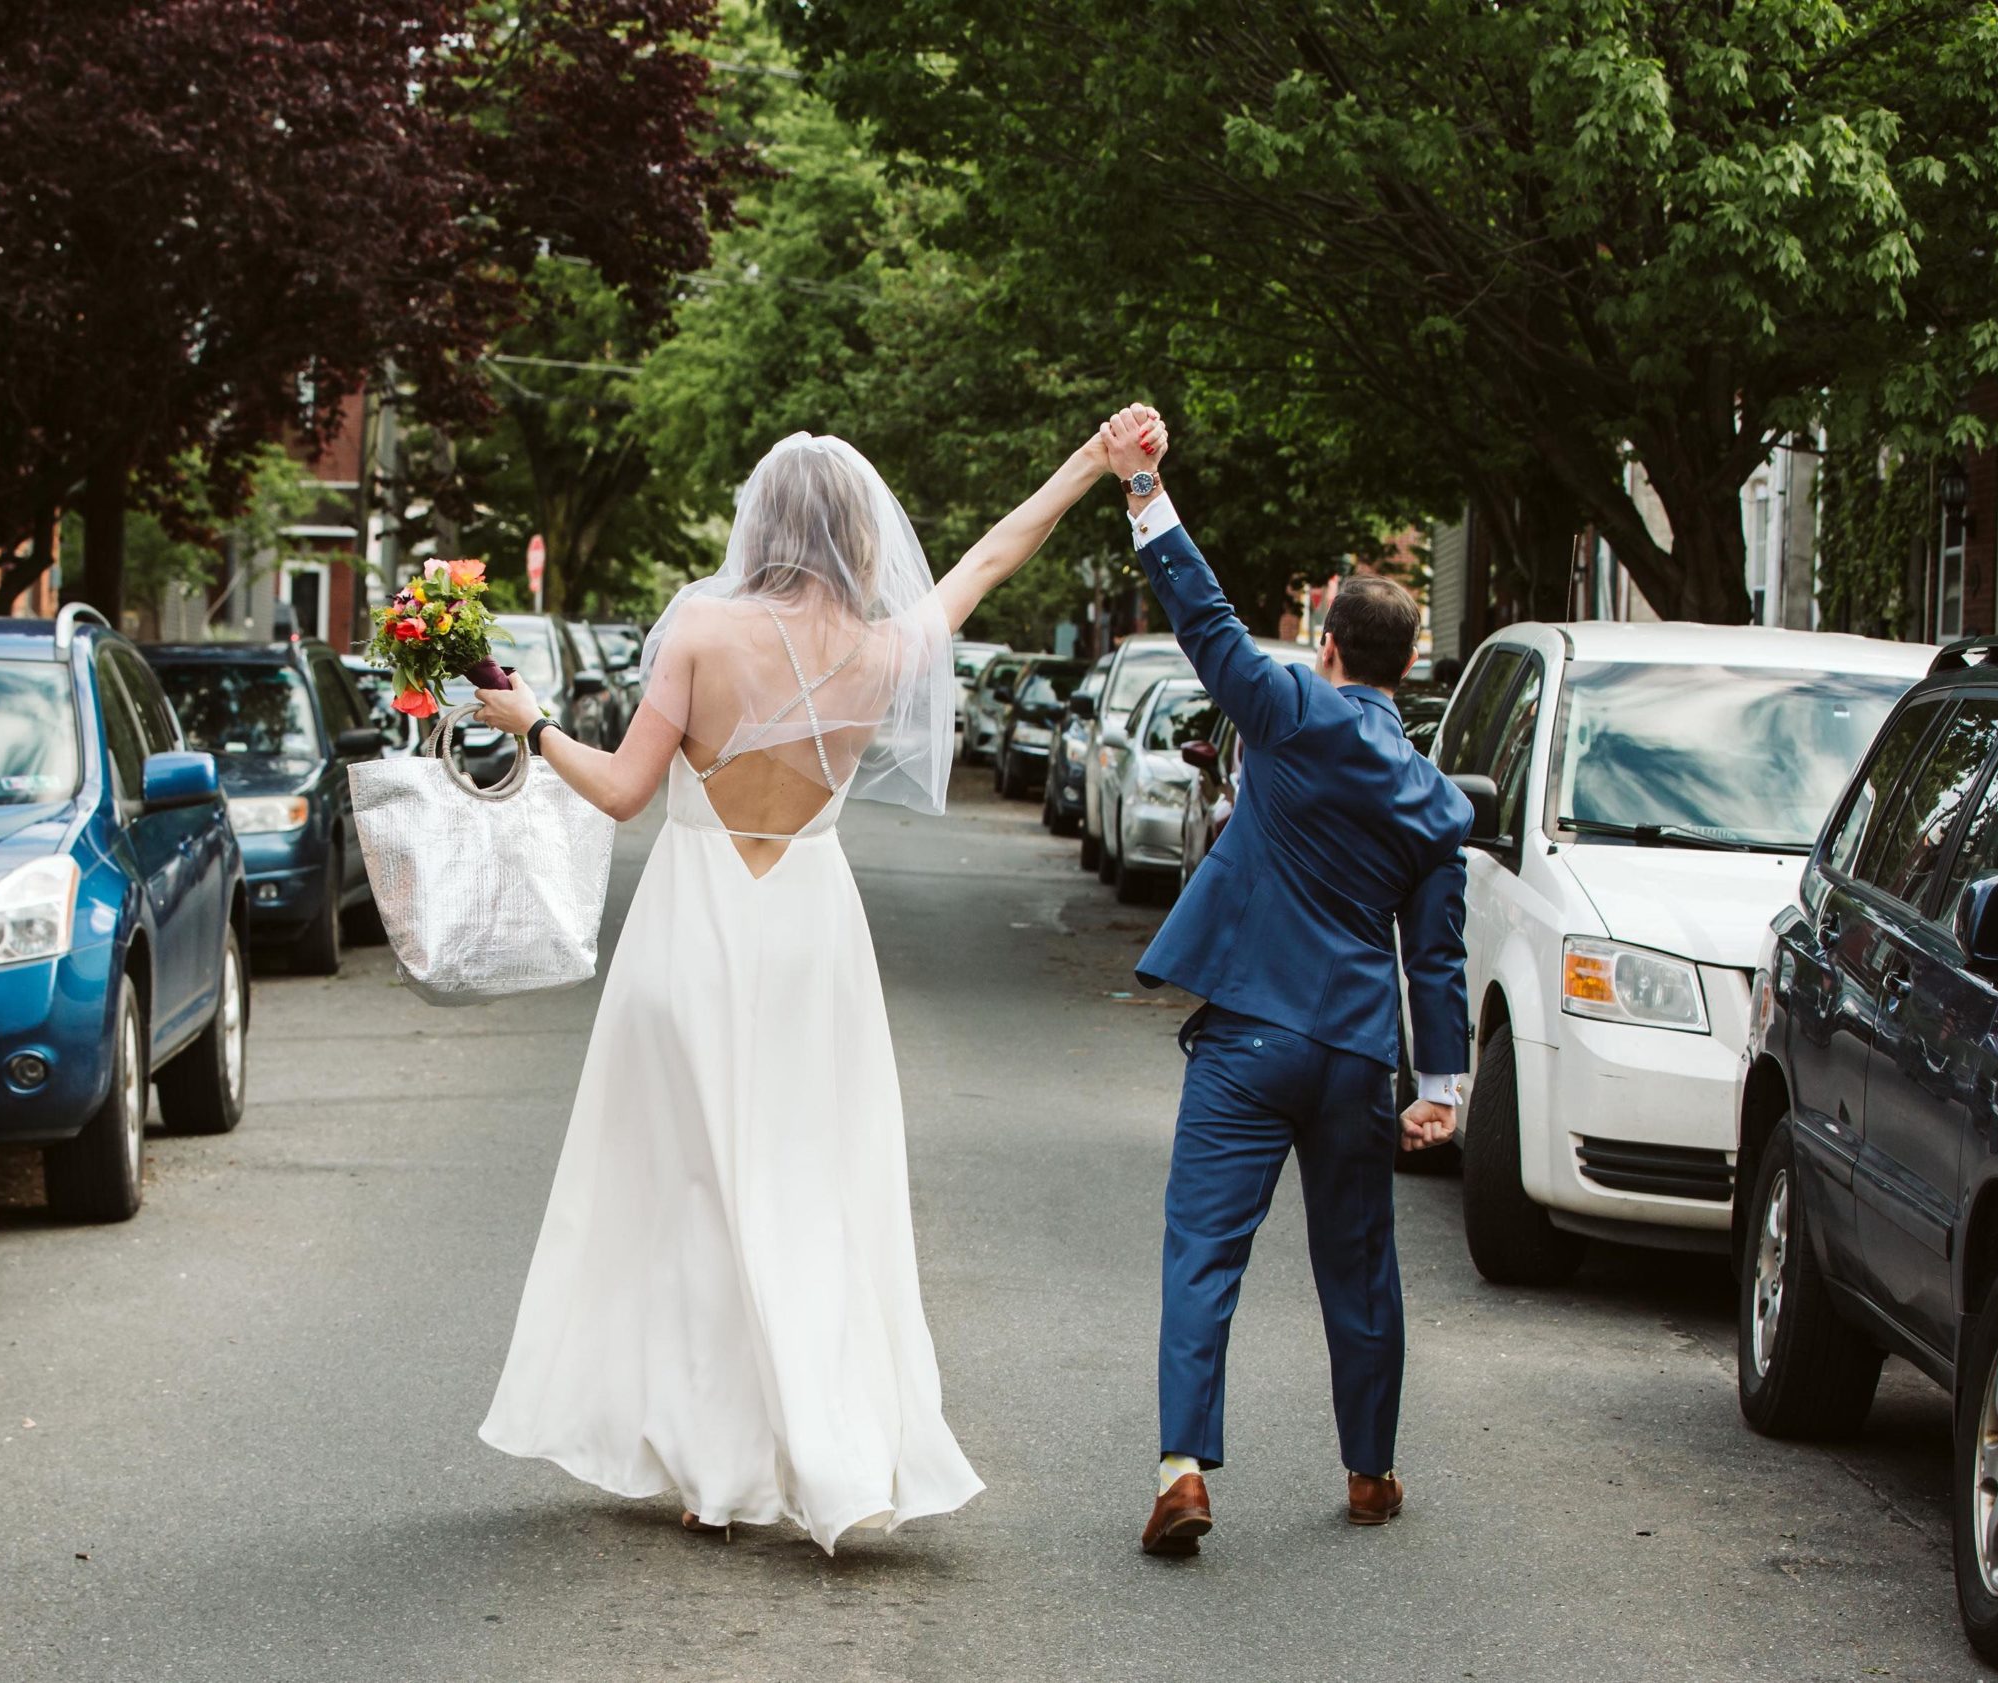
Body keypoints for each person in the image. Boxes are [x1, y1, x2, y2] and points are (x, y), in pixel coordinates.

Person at [469, 427, 1118, 1551]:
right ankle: (825, 1446)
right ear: (861, 531)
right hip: (812, 935)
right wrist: (1092, 464)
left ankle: (713, 1470)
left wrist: (533, 725)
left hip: (694, 931)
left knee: (693, 1193)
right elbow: (995, 557)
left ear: (756, 526)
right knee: (809, 1191)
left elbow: (624, 792)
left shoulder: (702, 629)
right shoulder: (884, 647)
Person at [1100, 407, 1472, 1556]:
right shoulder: (1432, 800)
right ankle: (1369, 1473)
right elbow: (1439, 956)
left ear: (1325, 646)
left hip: (1250, 1036)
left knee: (1203, 1248)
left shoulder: (1291, 713)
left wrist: (1145, 491)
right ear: (1407, 667)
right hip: (1357, 1052)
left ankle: (1181, 1468)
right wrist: (1443, 1090)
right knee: (1359, 1267)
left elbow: (1206, 621)